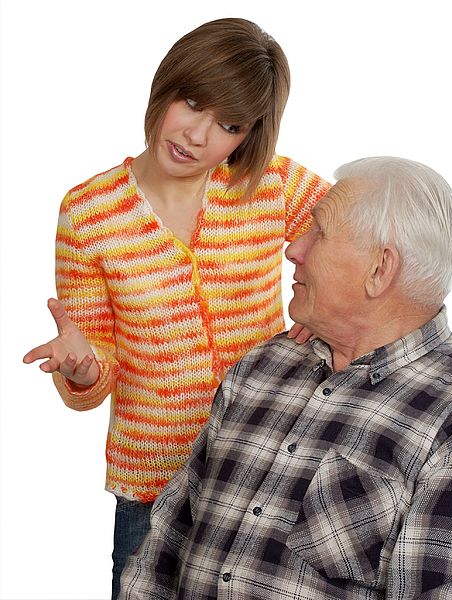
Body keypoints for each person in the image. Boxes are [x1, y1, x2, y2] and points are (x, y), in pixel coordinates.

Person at [22, 18, 330, 599]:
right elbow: (95, 372)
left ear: (248, 136)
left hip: (262, 470)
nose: (198, 135)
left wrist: (317, 315)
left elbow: (355, 235)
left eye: (228, 125)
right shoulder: (88, 215)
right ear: (167, 86)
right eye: (192, 103)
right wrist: (83, 368)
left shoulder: (269, 185)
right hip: (154, 485)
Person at [119, 156, 452, 600]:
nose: (293, 249)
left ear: (379, 270)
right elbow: (165, 546)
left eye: (318, 231)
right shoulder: (263, 366)